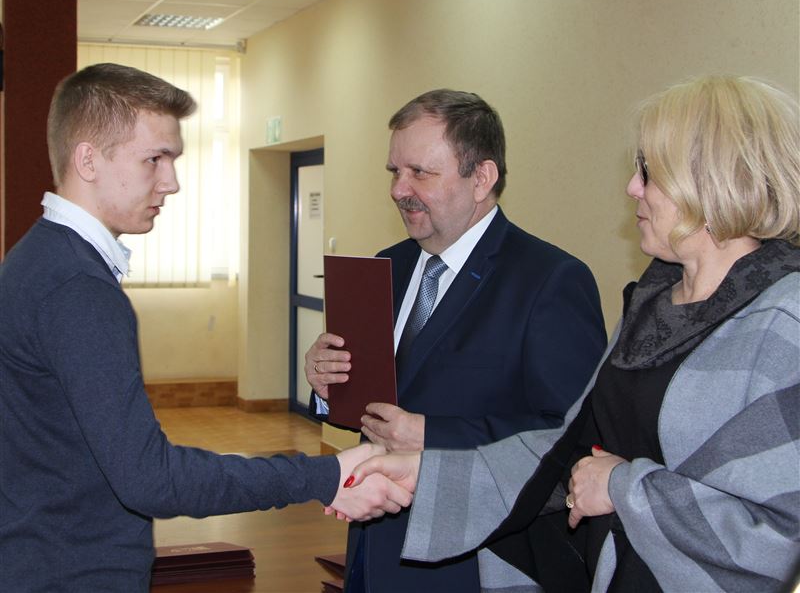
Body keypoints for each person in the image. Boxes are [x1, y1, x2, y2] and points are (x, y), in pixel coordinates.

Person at [348, 74, 800, 592]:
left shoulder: (784, 321)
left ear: (714, 180)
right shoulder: (654, 302)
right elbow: (564, 450)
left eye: (648, 172)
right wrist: (430, 476)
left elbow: (773, 536)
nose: (631, 188)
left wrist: (622, 487)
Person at [0, 63, 411, 593]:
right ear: (88, 160)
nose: (171, 182)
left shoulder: (37, 259)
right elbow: (151, 479)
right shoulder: (77, 288)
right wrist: (323, 476)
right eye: (155, 159)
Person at [305, 89, 607, 591]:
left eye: (420, 173)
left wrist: (434, 435)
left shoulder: (550, 280)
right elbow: (367, 404)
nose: (399, 189)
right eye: (394, 172)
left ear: (482, 178)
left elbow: (571, 434)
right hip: (372, 546)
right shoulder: (386, 265)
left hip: (475, 556)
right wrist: (326, 383)